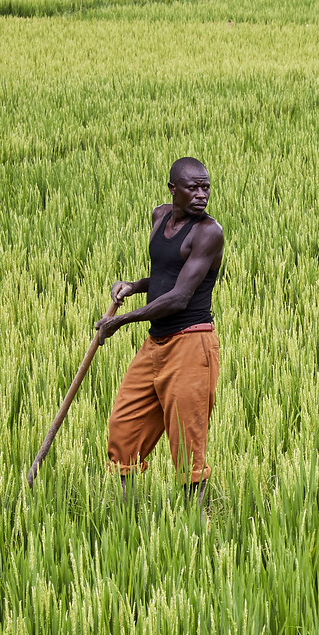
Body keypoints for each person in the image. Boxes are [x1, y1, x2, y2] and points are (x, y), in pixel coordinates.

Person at [100, 157, 225, 502]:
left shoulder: (209, 233)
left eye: (206, 187)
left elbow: (180, 296)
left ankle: (196, 529)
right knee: (124, 429)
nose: (202, 194)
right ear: (173, 190)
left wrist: (121, 321)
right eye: (193, 187)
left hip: (191, 344)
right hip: (156, 343)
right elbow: (166, 275)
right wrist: (134, 285)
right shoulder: (160, 217)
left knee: (187, 445)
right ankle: (125, 514)